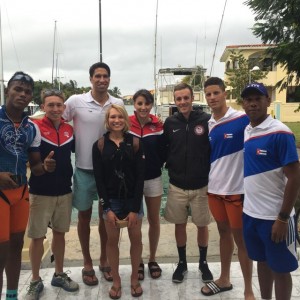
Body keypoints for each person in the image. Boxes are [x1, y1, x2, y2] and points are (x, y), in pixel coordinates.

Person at [63, 62, 124, 285]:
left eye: (105, 76)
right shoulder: (75, 102)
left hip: (109, 173)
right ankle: (87, 262)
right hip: (84, 170)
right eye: (97, 76)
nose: (102, 79)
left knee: (107, 219)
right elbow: (59, 120)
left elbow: (123, 131)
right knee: (84, 217)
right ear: (90, 79)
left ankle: (104, 259)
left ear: (109, 78)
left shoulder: (117, 103)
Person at [241, 82, 300, 300]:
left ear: (267, 101)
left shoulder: (280, 133)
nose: (253, 103)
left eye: (258, 98)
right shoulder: (248, 129)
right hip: (251, 215)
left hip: (275, 218)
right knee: (262, 262)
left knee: (281, 270)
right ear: (243, 104)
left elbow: (295, 177)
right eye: (248, 99)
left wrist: (283, 218)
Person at [0, 72, 56, 300]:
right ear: (7, 91)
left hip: (21, 193)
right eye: (17, 89)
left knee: (15, 248)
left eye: (27, 91)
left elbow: (35, 165)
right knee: (1, 251)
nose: (22, 94)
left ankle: (12, 295)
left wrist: (46, 166)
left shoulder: (31, 128)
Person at [201, 77, 254, 298]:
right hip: (214, 190)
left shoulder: (242, 120)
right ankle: (224, 279)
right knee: (223, 234)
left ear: (224, 93)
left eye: (216, 93)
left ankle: (249, 291)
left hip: (236, 192)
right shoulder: (209, 123)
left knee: (241, 240)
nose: (212, 97)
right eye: (208, 94)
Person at [25, 89, 78, 299]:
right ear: (42, 107)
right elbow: (29, 161)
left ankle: (59, 274)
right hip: (40, 191)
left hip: (64, 190)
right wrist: (42, 166)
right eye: (51, 105)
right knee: (37, 236)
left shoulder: (69, 130)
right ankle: (35, 280)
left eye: (59, 105)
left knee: (60, 234)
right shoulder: (34, 128)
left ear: (64, 108)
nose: (55, 109)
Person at [162, 83, 213, 284]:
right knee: (180, 225)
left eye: (186, 98)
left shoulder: (206, 120)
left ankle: (203, 262)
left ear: (192, 98)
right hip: (177, 185)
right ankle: (182, 263)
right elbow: (164, 148)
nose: (182, 102)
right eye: (179, 99)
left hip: (201, 185)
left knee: (202, 225)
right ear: (174, 101)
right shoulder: (170, 122)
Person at [92, 104, 145, 299]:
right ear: (107, 120)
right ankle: (116, 280)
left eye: (120, 117)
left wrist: (134, 208)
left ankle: (134, 278)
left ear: (125, 119)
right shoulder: (99, 145)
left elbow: (140, 178)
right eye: (113, 117)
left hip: (132, 198)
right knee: (112, 241)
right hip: (111, 200)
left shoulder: (136, 143)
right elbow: (99, 179)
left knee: (136, 239)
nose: (117, 120)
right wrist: (107, 208)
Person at [129, 89, 164, 280]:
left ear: (151, 105)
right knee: (136, 222)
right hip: (132, 180)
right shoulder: (126, 123)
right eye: (140, 103)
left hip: (153, 177)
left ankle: (152, 258)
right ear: (134, 104)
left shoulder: (158, 125)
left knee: (154, 220)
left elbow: (164, 148)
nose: (143, 107)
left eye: (147, 104)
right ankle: (138, 260)